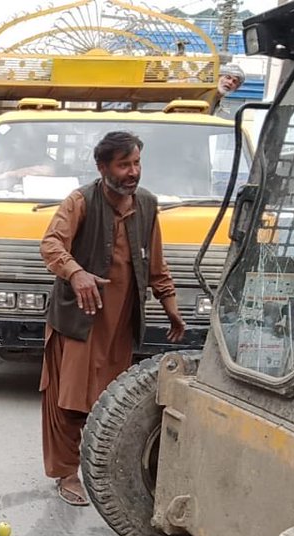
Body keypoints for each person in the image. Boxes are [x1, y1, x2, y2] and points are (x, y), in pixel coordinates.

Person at [39, 131, 186, 506]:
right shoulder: (80, 201)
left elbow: (157, 264)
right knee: (68, 401)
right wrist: (76, 273)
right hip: (78, 320)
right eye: (124, 165)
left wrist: (170, 305)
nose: (132, 172)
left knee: (114, 401)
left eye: (136, 163)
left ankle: (104, 469)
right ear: (102, 167)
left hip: (120, 323)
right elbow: (51, 244)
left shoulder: (147, 204)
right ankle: (66, 473)